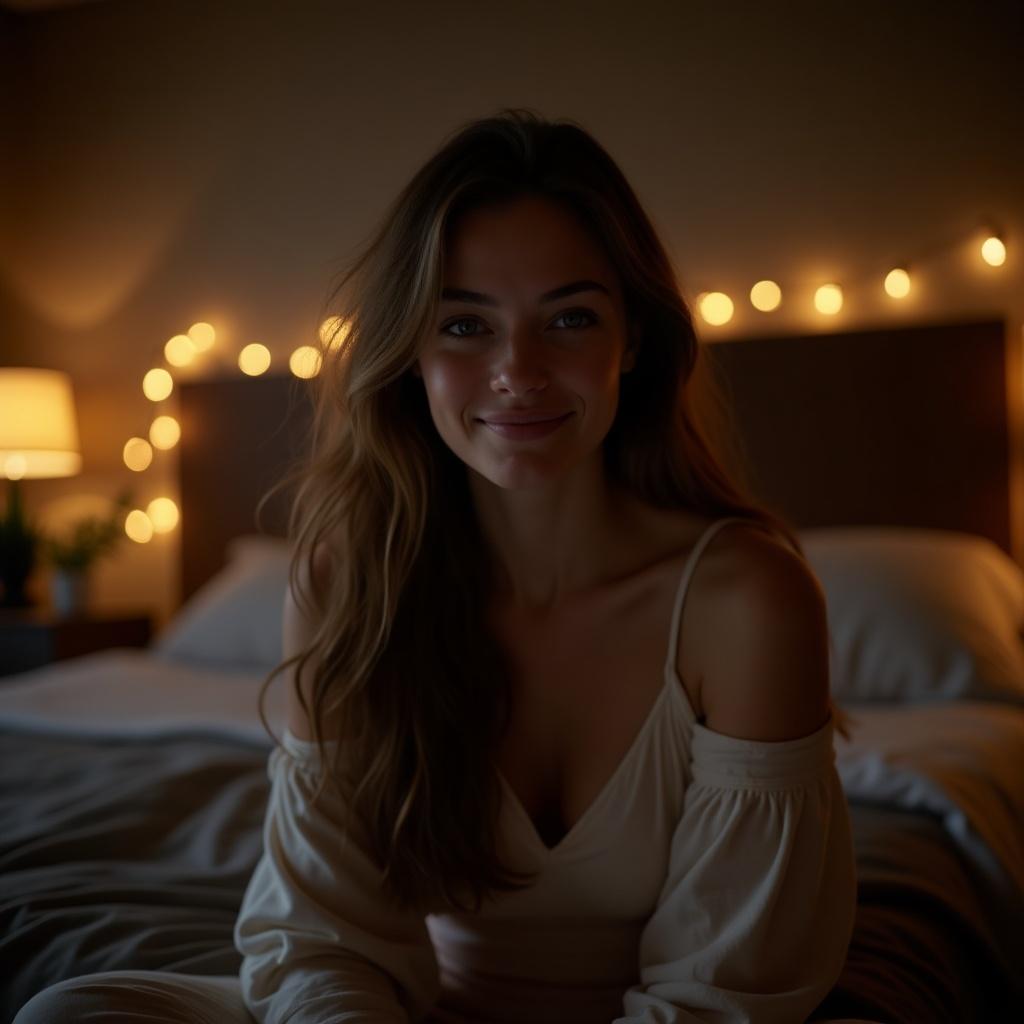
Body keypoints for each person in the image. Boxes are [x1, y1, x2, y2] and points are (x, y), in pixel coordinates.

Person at [14, 108, 857, 1024]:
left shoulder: (747, 601)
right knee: (72, 1010)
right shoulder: (346, 582)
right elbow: (320, 937)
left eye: (570, 317)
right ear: (411, 353)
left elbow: (724, 992)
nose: (518, 371)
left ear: (636, 340)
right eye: (465, 326)